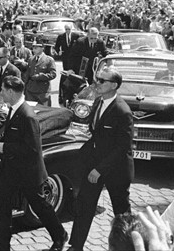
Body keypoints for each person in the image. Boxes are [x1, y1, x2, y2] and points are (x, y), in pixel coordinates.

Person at [0, 76, 67, 251]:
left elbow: (32, 149)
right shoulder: (14, 109)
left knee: (41, 207)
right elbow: (8, 134)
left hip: (29, 172)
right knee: (3, 205)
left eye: (4, 90)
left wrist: (5, 147)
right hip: (11, 170)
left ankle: (59, 236)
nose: (1, 93)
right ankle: (3, 245)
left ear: (12, 92)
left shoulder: (27, 115)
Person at [68, 67, 134, 251]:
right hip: (95, 165)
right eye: (97, 79)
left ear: (114, 85)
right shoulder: (98, 102)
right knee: (84, 205)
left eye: (102, 80)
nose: (97, 83)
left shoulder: (123, 111)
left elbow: (123, 148)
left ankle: (128, 247)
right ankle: (75, 245)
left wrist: (100, 170)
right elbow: (95, 134)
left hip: (117, 171)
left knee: (122, 215)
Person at [55, 24, 80, 105]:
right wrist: (59, 51)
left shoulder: (76, 36)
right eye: (66, 29)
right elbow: (56, 46)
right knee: (65, 74)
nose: (67, 31)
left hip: (74, 58)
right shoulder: (61, 36)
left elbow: (79, 46)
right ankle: (62, 95)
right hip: (65, 58)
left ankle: (72, 95)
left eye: (69, 29)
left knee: (73, 74)